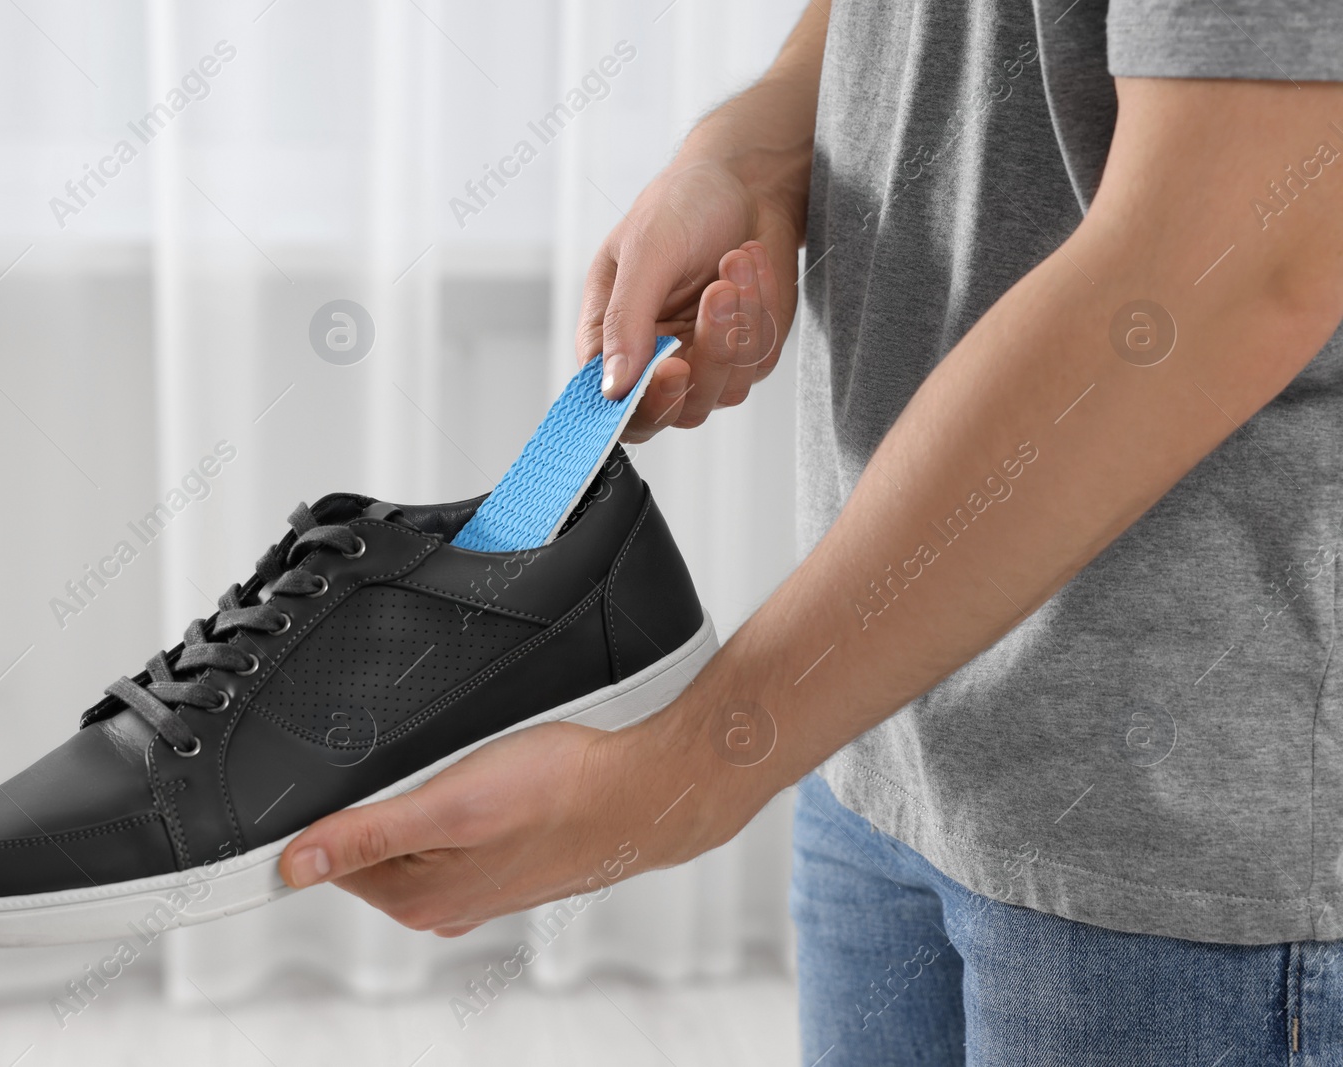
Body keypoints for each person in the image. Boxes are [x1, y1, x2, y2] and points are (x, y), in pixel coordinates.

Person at [278, 1, 1343, 1061]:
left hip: (1183, 838)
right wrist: (750, 156)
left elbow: (1232, 270)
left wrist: (686, 769)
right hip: (874, 732)